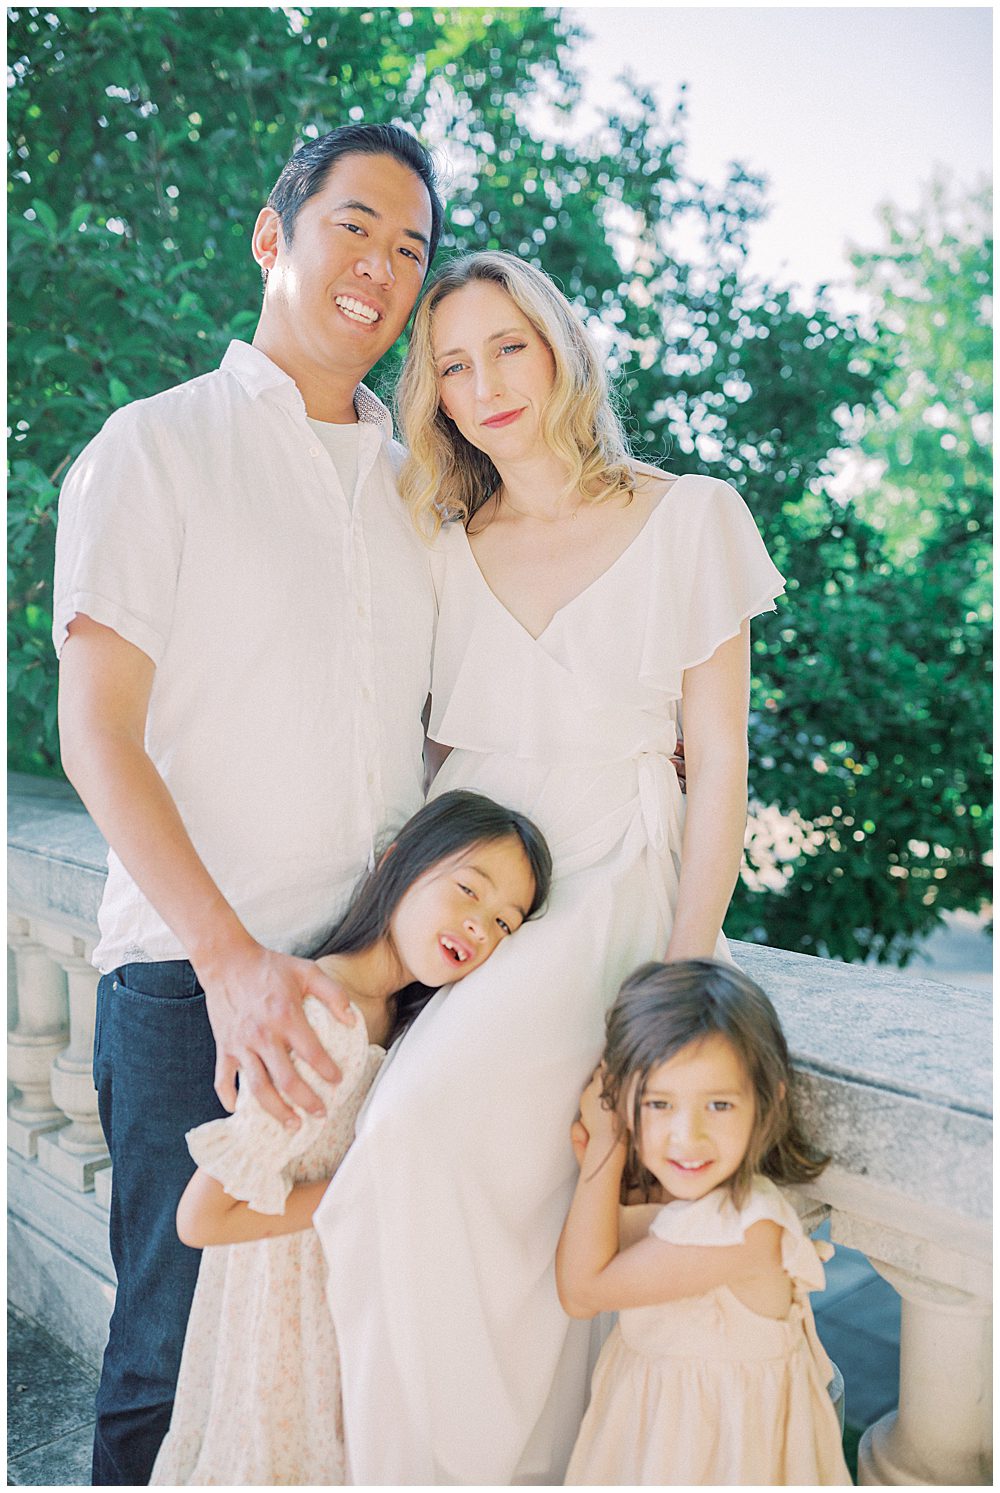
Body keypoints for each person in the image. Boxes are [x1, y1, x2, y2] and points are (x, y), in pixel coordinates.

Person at [315, 250, 788, 1484]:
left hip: (614, 881)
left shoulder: (692, 515)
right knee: (472, 1183)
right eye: (454, 366)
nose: (485, 383)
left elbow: (721, 767)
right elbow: (419, 746)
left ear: (560, 345)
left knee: (418, 1137)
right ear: (439, 399)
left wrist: (681, 979)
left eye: (507, 346)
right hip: (477, 886)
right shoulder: (438, 537)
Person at [52, 123, 444, 1484]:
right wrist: (231, 965)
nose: (382, 267)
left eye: (412, 249)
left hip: (384, 991)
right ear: (273, 236)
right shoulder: (153, 448)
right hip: (192, 987)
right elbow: (96, 736)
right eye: (356, 225)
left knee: (341, 1367)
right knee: (171, 1360)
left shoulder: (424, 496)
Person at [148, 790, 550, 1486]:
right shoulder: (324, 1018)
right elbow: (202, 1216)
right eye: (467, 889)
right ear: (398, 863)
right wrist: (362, 1189)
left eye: (503, 923)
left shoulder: (400, 1022)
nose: (478, 925)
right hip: (287, 1324)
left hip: (344, 1300)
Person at [557, 959, 851, 1486]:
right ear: (624, 1102)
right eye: (659, 1104)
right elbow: (617, 1246)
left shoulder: (747, 1227)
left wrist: (606, 1144)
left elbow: (583, 1290)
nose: (686, 1135)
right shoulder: (691, 1207)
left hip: (722, 1451)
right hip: (666, 1430)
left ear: (767, 1101)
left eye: (718, 1104)